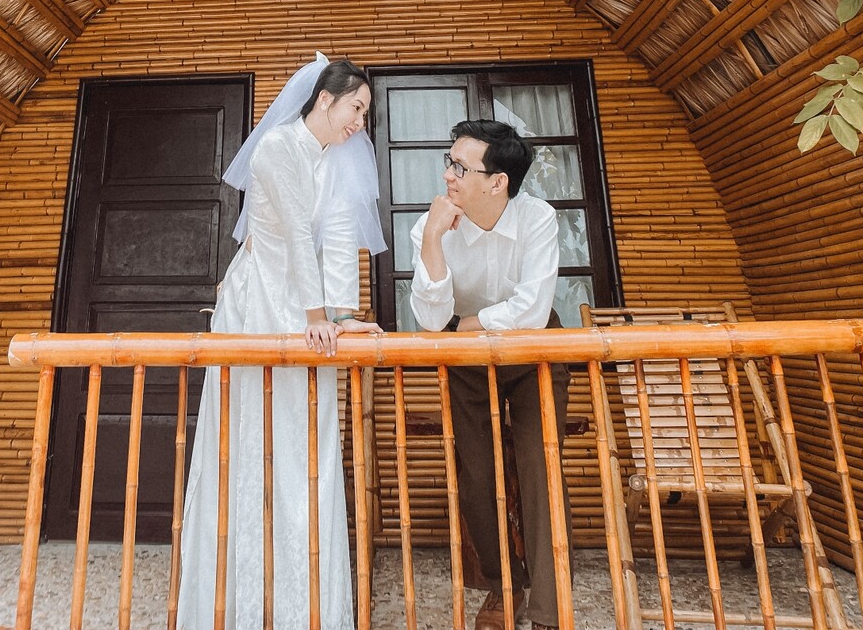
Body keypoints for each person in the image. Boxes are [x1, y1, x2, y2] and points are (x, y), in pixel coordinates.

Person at [177, 55, 386, 630]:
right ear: (325, 100)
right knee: (245, 437)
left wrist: (342, 317)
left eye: (364, 114)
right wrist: (316, 316)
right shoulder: (276, 147)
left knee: (303, 441)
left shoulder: (338, 159)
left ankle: (302, 605)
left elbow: (338, 240)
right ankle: (235, 602)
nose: (360, 123)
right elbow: (295, 229)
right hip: (259, 302)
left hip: (305, 304)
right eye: (356, 109)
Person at [408, 119, 571, 630]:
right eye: (449, 162)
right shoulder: (430, 225)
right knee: (476, 475)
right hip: (466, 359)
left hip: (534, 350)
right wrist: (432, 239)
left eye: (460, 167)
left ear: (498, 181)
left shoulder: (537, 218)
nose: (448, 175)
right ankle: (506, 585)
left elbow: (532, 309)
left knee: (540, 467)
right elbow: (431, 319)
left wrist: (468, 323)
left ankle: (549, 607)